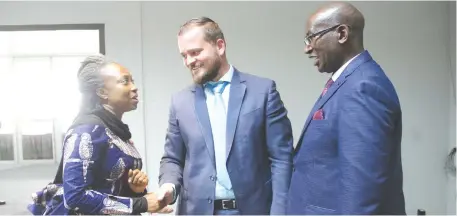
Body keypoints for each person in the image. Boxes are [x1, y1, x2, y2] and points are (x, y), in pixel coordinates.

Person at [157, 17, 294, 215]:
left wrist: (280, 211)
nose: (189, 62)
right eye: (184, 56)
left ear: (219, 46)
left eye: (195, 52)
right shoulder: (180, 102)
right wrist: (168, 186)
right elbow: (172, 158)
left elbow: (281, 158)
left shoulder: (263, 92)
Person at [287, 2, 406, 215]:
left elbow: (363, 190)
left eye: (311, 37)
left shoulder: (363, 87)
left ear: (342, 33)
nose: (307, 48)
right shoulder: (347, 82)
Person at [27, 55, 172, 215]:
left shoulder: (115, 130)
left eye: (133, 80)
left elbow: (104, 185)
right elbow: (75, 198)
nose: (134, 87)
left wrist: (135, 191)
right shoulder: (86, 131)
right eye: (125, 81)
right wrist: (141, 204)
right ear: (102, 92)